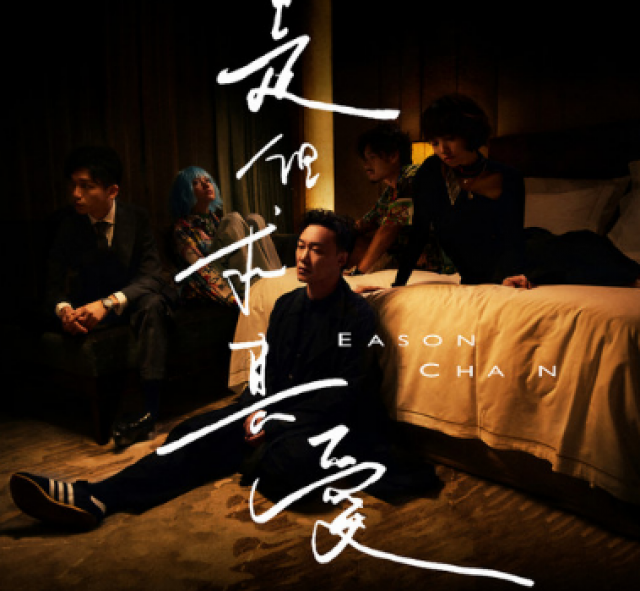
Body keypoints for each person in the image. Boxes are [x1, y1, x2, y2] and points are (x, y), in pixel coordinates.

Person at [10, 209, 438, 531]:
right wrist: (254, 409)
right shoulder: (286, 304)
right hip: (274, 412)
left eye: (317, 249)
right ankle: (96, 496)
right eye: (301, 246)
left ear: (342, 258)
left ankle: (247, 451)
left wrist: (273, 420)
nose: (303, 256)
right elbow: (265, 371)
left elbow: (344, 392)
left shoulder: (355, 316)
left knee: (289, 467)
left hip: (320, 423)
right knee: (190, 434)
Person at [393, 94, 640, 289]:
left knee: (584, 243)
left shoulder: (507, 176)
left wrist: (513, 274)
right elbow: (419, 232)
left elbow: (512, 235)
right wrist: (398, 284)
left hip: (516, 255)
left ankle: (632, 277)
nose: (442, 149)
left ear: (469, 133)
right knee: (571, 258)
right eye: (435, 142)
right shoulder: (431, 173)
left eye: (449, 139)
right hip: (480, 271)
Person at [45, 146, 176, 448]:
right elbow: (52, 286)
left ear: (112, 190)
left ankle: (149, 411)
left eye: (86, 186)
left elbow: (152, 276)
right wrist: (64, 311)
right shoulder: (66, 224)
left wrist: (109, 303)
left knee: (153, 303)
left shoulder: (137, 218)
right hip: (88, 306)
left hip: (130, 300)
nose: (76, 194)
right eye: (73, 185)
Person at [170, 166, 282, 307]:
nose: (206, 184)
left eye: (208, 180)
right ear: (185, 193)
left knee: (255, 220)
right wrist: (233, 298)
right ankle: (248, 288)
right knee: (233, 218)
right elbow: (200, 270)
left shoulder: (218, 222)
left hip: (233, 271)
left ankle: (276, 281)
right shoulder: (183, 228)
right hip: (214, 281)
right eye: (196, 182)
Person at [346, 123, 427, 276]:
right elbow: (364, 224)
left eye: (372, 158)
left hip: (434, 261)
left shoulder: (413, 177)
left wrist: (359, 271)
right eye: (365, 159)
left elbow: (390, 228)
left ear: (393, 156)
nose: (366, 165)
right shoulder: (390, 191)